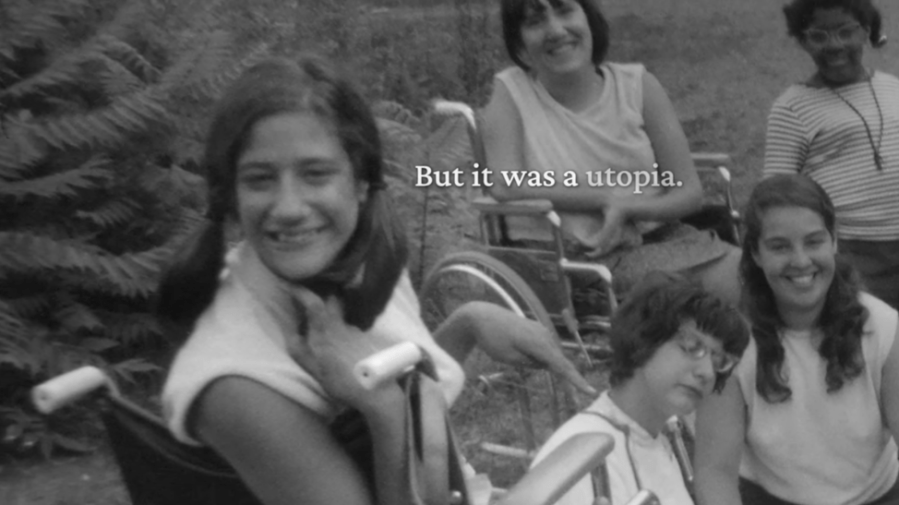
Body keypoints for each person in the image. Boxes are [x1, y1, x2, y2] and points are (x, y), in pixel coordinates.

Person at [155, 56, 594, 505]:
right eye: (260, 179)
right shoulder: (237, 386)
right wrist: (380, 408)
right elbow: (392, 408)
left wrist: (469, 323)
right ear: (232, 194)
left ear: (361, 182)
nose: (288, 206)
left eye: (315, 174)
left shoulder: (350, 267)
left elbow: (408, 391)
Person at [480, 0, 742, 304]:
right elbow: (504, 183)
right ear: (521, 45)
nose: (555, 30)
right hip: (575, 262)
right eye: (535, 21)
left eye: (565, 11)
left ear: (589, 20)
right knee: (747, 281)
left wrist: (628, 209)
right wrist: (603, 200)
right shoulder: (512, 92)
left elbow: (688, 193)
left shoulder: (638, 86)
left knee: (762, 269)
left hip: (661, 240)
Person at [693, 174, 899, 505]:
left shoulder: (884, 328)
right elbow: (714, 471)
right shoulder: (729, 342)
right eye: (780, 246)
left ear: (834, 242)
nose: (801, 261)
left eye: (814, 241)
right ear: (756, 255)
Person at [530, 271, 750, 505]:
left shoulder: (655, 434)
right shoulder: (586, 460)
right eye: (691, 346)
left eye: (718, 361)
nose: (706, 372)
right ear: (645, 337)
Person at [763, 0, 899, 309]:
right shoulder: (793, 107)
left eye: (845, 32)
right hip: (852, 253)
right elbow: (775, 194)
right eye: (819, 36)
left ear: (865, 32)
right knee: (869, 334)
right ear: (802, 41)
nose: (834, 45)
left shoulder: (893, 89)